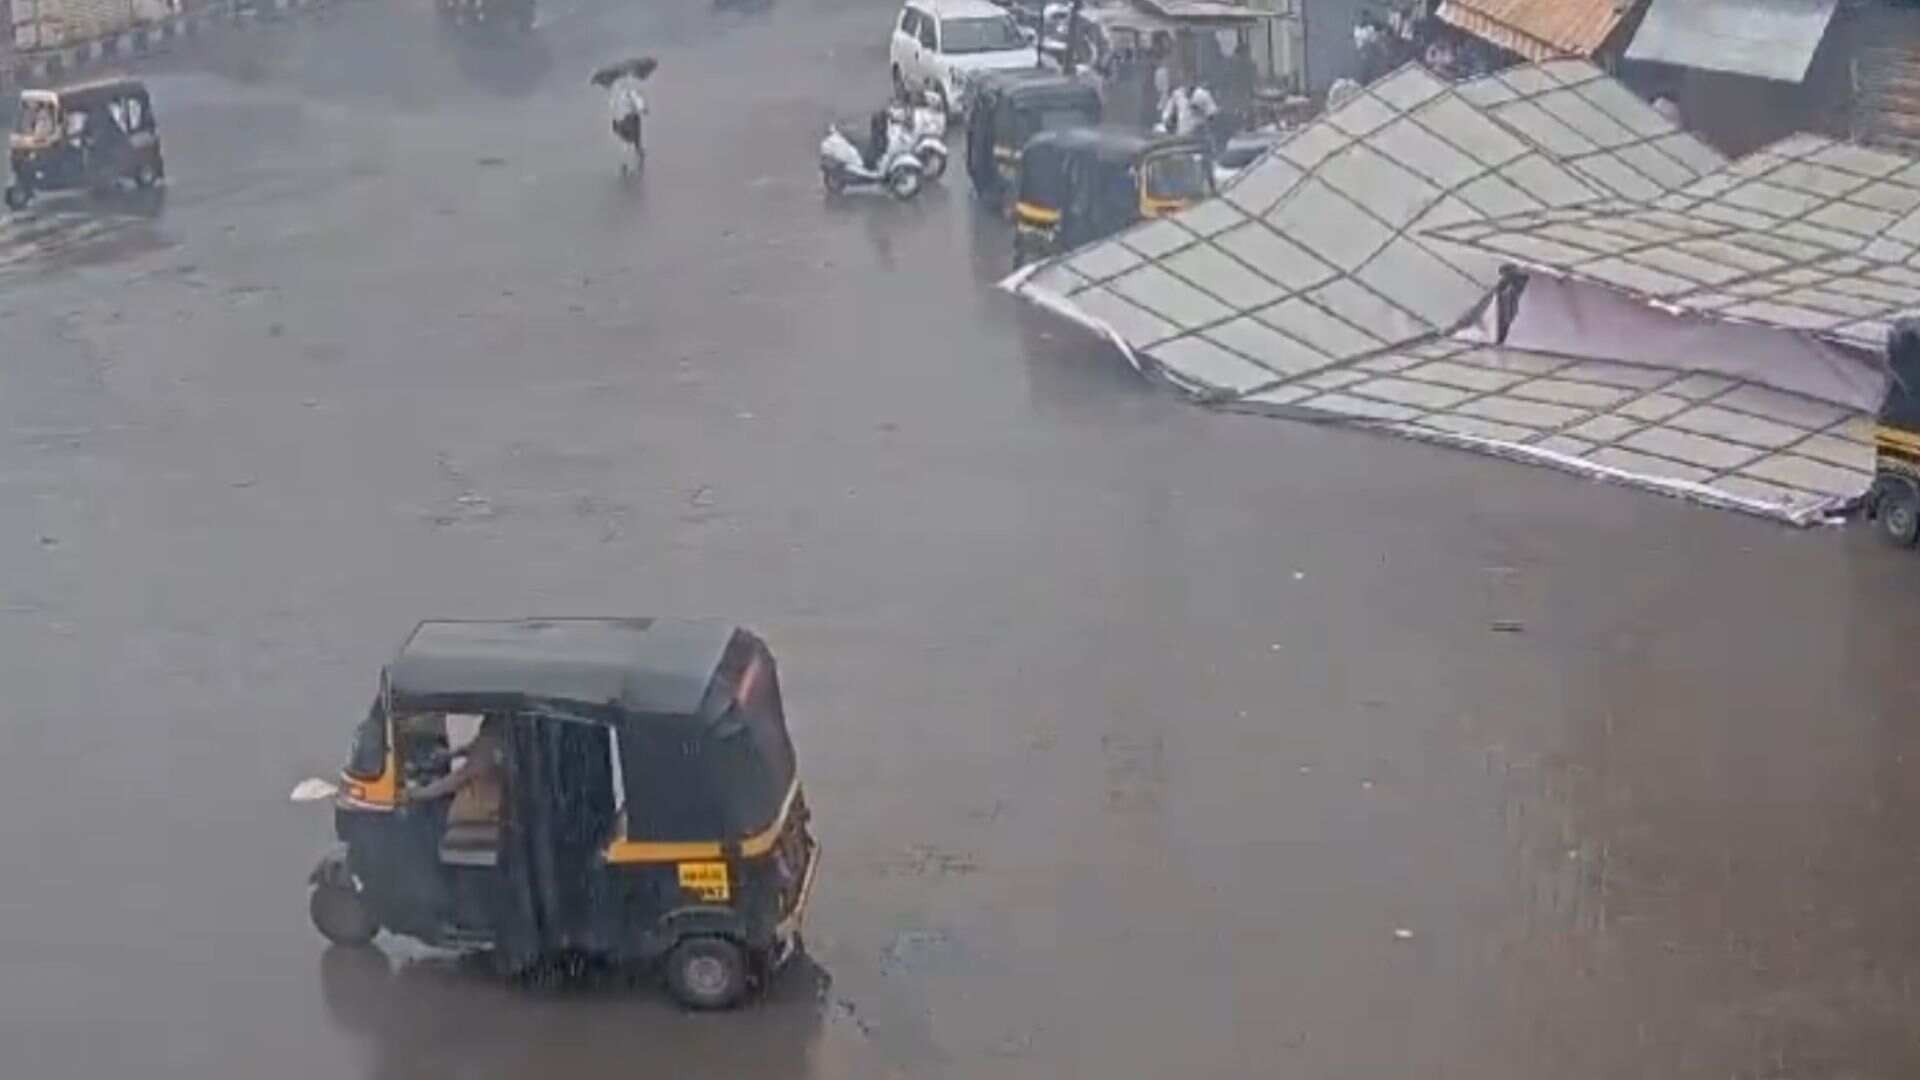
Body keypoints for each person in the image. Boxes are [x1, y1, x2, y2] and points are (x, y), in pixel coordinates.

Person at [402, 714, 506, 840]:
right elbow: (477, 747)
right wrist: (451, 754)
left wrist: (420, 794)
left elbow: (460, 778)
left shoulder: (495, 736)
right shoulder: (494, 737)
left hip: (483, 815)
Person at [607, 68, 648, 162]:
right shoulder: (624, 90)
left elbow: (637, 98)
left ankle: (631, 154)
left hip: (626, 116)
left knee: (629, 137)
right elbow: (637, 99)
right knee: (633, 136)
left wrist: (642, 108)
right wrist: (642, 108)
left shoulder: (620, 90)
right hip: (627, 116)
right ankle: (635, 152)